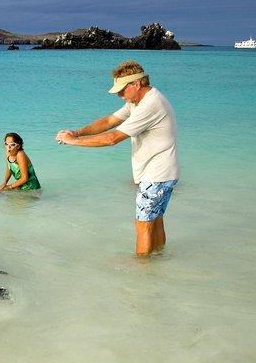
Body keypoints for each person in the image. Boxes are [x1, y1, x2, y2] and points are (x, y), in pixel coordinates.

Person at [55, 60, 179, 257]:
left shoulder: (150, 105)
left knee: (143, 224)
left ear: (136, 84)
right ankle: (158, 262)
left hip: (156, 174)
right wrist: (78, 133)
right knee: (154, 221)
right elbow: (109, 121)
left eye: (122, 90)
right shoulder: (137, 102)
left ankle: (142, 270)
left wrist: (73, 142)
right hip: (163, 173)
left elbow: (113, 138)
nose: (120, 95)